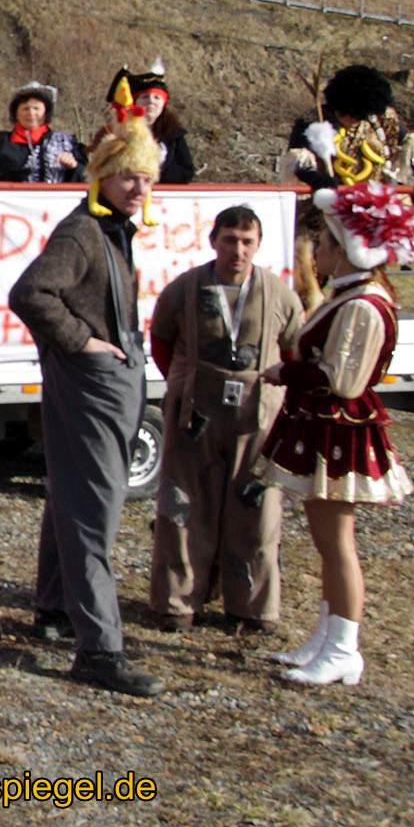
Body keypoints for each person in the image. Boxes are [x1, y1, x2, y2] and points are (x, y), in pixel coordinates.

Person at [8, 75, 163, 697]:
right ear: (101, 174)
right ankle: (100, 648)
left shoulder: (113, 230)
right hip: (89, 383)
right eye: (127, 177)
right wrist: (83, 343)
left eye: (146, 178)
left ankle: (53, 609)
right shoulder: (84, 231)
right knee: (95, 509)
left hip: (104, 383)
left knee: (71, 496)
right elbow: (30, 292)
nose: (138, 188)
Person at [257, 180, 414, 686]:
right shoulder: (349, 296)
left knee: (337, 544)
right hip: (325, 427)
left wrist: (286, 372)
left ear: (349, 249)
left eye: (326, 243)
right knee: (326, 540)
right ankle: (327, 636)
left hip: (340, 431)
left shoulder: (362, 305)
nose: (319, 252)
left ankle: (344, 648)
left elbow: (343, 380)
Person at [147, 206, 304, 634]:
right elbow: (162, 342)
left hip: (257, 414)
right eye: (230, 240)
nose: (238, 250)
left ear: (258, 245)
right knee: (183, 504)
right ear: (213, 240)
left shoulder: (280, 295)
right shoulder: (184, 290)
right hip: (195, 412)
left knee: (258, 509)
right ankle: (177, 603)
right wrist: (186, 383)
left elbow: (294, 351)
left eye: (247, 241)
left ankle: (251, 608)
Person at [280, 64, 414, 308]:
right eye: (346, 113)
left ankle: (364, 307)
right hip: (324, 209)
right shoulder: (315, 119)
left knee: (366, 273)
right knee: (309, 271)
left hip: (367, 211)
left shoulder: (382, 119)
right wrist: (316, 179)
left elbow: (408, 144)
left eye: (357, 115)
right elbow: (297, 158)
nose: (351, 119)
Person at [91, 63, 195, 183]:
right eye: (145, 97)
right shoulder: (115, 131)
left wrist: (159, 165)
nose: (151, 101)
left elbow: (186, 173)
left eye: (157, 97)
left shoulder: (174, 134)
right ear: (135, 102)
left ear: (163, 103)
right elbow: (100, 169)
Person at [0, 82, 82, 182]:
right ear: (16, 113)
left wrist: (74, 166)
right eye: (25, 109)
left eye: (36, 108)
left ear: (46, 113)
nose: (31, 113)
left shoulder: (66, 142)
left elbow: (87, 177)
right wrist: (9, 178)